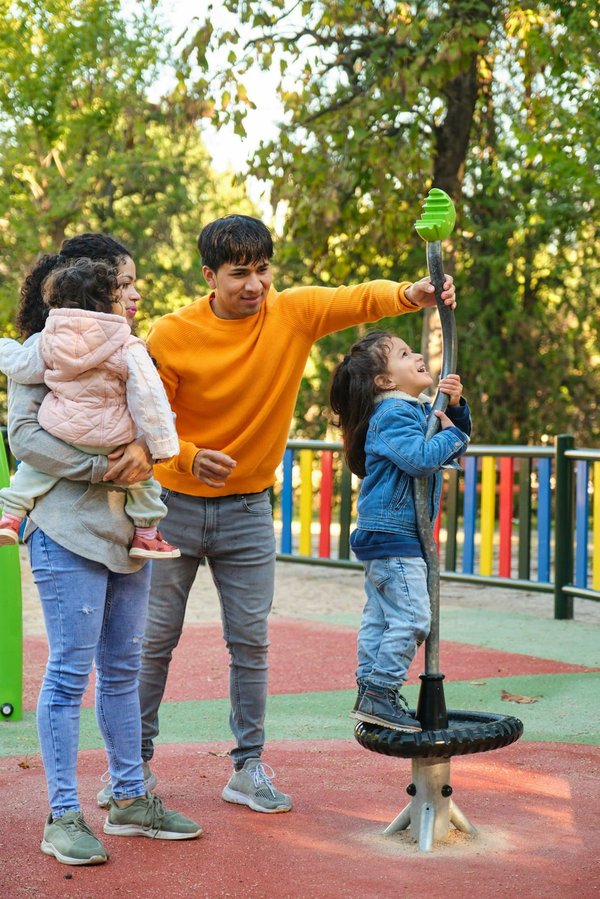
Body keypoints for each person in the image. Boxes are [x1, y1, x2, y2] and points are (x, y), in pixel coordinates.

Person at [98, 213, 459, 816]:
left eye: (262, 270)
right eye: (240, 273)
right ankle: (132, 769)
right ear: (209, 276)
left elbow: (352, 299)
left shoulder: (289, 313)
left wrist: (412, 293)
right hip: (172, 507)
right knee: (154, 640)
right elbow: (146, 415)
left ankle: (248, 767)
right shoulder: (173, 333)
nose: (255, 284)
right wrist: (188, 456)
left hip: (247, 510)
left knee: (251, 643)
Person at [5, 233, 201, 866]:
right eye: (123, 285)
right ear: (90, 291)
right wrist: (104, 468)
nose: (134, 294)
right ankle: (62, 815)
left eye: (134, 284)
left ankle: (129, 797)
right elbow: (24, 438)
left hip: (126, 536)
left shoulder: (124, 349)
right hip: (67, 532)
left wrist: (145, 450)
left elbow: (149, 416)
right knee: (69, 672)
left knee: (122, 669)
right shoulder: (46, 350)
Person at [330, 330, 471, 730]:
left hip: (387, 533)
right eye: (405, 354)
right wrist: (453, 433)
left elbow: (446, 445)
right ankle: (380, 692)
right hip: (395, 534)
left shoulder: (411, 409)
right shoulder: (393, 413)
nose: (418, 356)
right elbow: (420, 458)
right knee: (412, 619)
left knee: (380, 619)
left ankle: (369, 691)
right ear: (385, 380)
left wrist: (455, 410)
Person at [0, 257, 180, 560]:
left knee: (33, 471)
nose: (132, 297)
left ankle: (10, 516)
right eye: (121, 290)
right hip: (114, 441)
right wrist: (158, 446)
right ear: (108, 302)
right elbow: (149, 397)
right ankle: (146, 535)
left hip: (63, 430)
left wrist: (4, 346)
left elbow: (22, 367)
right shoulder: (127, 344)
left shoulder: (50, 341)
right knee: (143, 484)